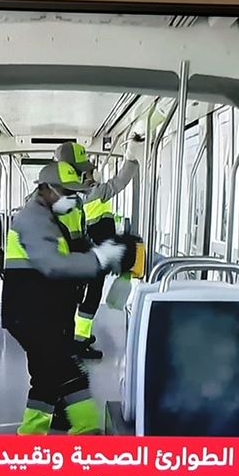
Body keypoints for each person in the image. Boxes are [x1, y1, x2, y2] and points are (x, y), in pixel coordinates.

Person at [2, 161, 127, 435]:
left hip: (40, 312)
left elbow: (70, 248)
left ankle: (31, 434)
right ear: (48, 190)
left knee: (46, 377)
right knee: (69, 372)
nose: (73, 197)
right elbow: (53, 264)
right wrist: (100, 259)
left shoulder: (49, 219)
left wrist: (100, 252)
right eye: (67, 192)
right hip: (29, 314)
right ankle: (87, 430)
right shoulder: (32, 220)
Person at [54, 134, 144, 359]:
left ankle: (73, 337)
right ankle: (79, 340)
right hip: (96, 257)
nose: (93, 172)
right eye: (89, 170)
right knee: (91, 298)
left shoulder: (60, 196)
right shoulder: (96, 193)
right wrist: (131, 157)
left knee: (73, 299)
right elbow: (121, 180)